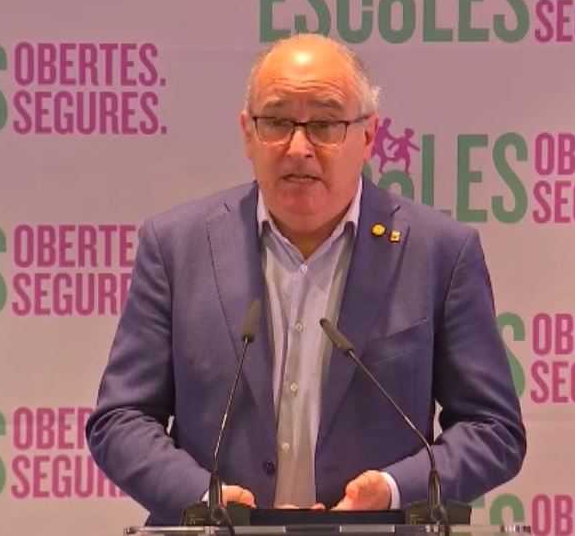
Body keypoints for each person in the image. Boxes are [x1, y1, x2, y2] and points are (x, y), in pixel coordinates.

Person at [86, 34, 526, 525]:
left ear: (368, 136)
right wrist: (204, 499)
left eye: (324, 124)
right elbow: (121, 420)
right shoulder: (176, 247)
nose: (298, 148)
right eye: (276, 122)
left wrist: (393, 489)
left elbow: (493, 429)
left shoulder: (438, 253)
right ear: (248, 134)